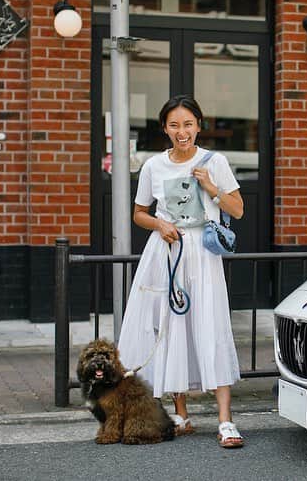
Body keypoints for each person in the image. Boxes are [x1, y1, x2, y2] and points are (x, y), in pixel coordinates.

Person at [117, 94, 245, 448]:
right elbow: (139, 213)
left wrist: (211, 188)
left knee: (211, 325)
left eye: (188, 124)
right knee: (172, 326)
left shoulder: (215, 162)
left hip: (203, 255)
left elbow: (237, 209)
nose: (182, 131)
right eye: (174, 125)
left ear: (199, 126)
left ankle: (225, 420)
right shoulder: (153, 166)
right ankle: (181, 413)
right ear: (165, 128)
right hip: (167, 252)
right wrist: (159, 224)